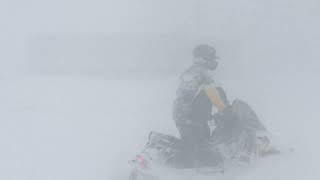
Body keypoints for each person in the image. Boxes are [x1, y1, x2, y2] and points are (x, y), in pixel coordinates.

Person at [172, 44, 226, 167]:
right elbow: (214, 95)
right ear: (205, 58)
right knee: (204, 156)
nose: (214, 62)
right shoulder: (203, 74)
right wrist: (225, 111)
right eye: (213, 59)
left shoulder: (192, 71)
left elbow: (190, 96)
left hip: (184, 116)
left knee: (195, 147)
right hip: (192, 118)